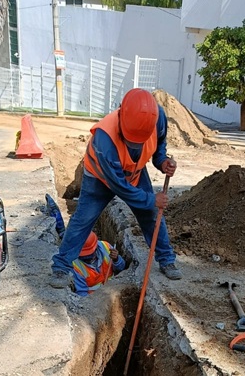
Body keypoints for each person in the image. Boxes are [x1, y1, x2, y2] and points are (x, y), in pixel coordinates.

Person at [49, 88, 181, 289]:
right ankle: (61, 267)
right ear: (121, 116)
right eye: (130, 141)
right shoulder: (105, 140)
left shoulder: (158, 118)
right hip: (100, 177)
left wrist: (162, 161)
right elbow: (121, 188)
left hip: (134, 171)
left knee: (152, 216)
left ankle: (166, 260)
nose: (134, 146)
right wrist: (151, 199)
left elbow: (159, 145)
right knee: (82, 220)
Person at [72, 232, 125, 296]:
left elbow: (121, 269)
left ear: (96, 247)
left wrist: (116, 259)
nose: (88, 258)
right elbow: (81, 293)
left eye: (89, 255)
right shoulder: (75, 266)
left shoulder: (106, 247)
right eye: (84, 257)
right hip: (94, 298)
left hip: (112, 290)